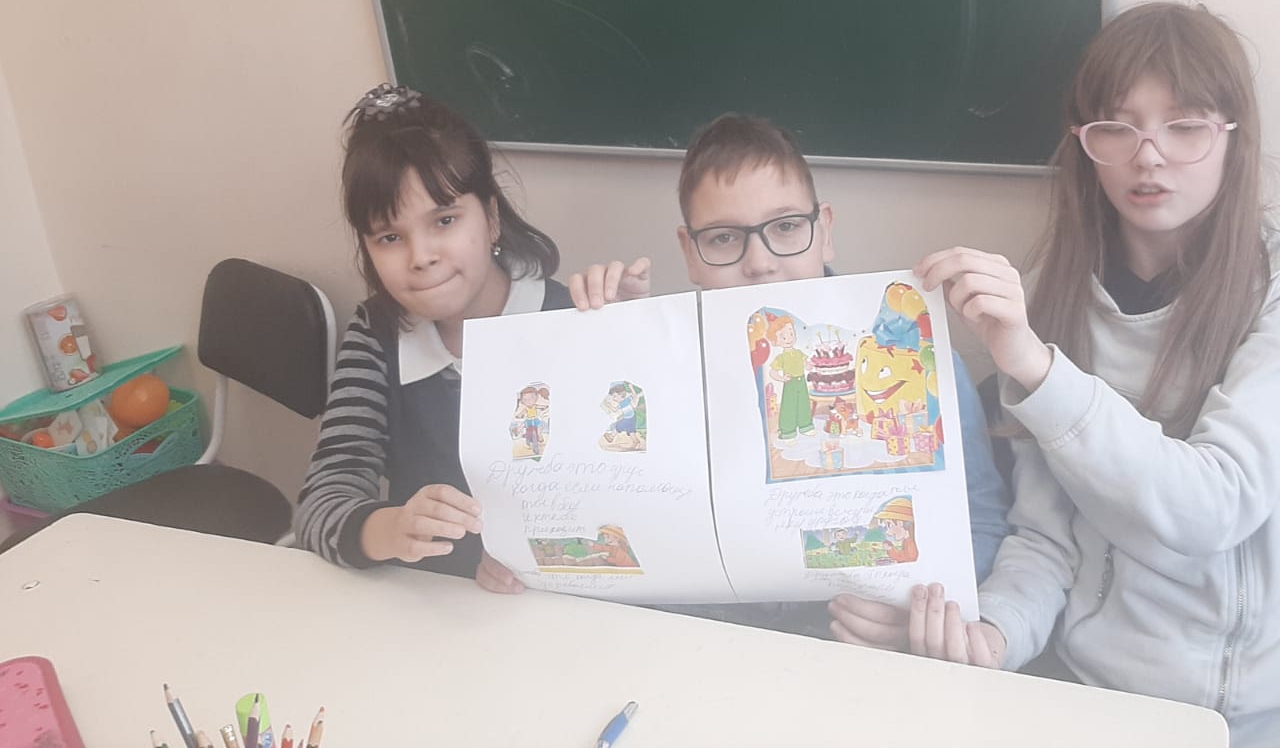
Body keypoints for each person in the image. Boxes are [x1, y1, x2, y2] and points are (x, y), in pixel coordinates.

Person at [834, 2, 1280, 748]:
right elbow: (1046, 538)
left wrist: (1038, 369)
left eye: (1184, 125)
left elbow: (1217, 505)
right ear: (1085, 143)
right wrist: (994, 633)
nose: (1149, 156)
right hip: (1108, 710)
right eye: (1118, 127)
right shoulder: (1046, 301)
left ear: (1232, 136)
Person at [545, 114, 1011, 620]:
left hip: (866, 645)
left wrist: (914, 613)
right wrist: (613, 350)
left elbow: (981, 524)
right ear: (690, 252)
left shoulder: (920, 361)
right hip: (702, 641)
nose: (760, 262)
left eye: (786, 227)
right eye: (724, 238)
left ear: (824, 230)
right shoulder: (660, 366)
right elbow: (612, 529)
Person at [293, 83, 572, 584]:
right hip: (426, 599)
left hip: (553, 600)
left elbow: (616, 495)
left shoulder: (566, 322)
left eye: (444, 220)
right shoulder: (377, 334)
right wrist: (392, 528)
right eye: (390, 237)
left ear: (490, 219)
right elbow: (322, 502)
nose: (420, 256)